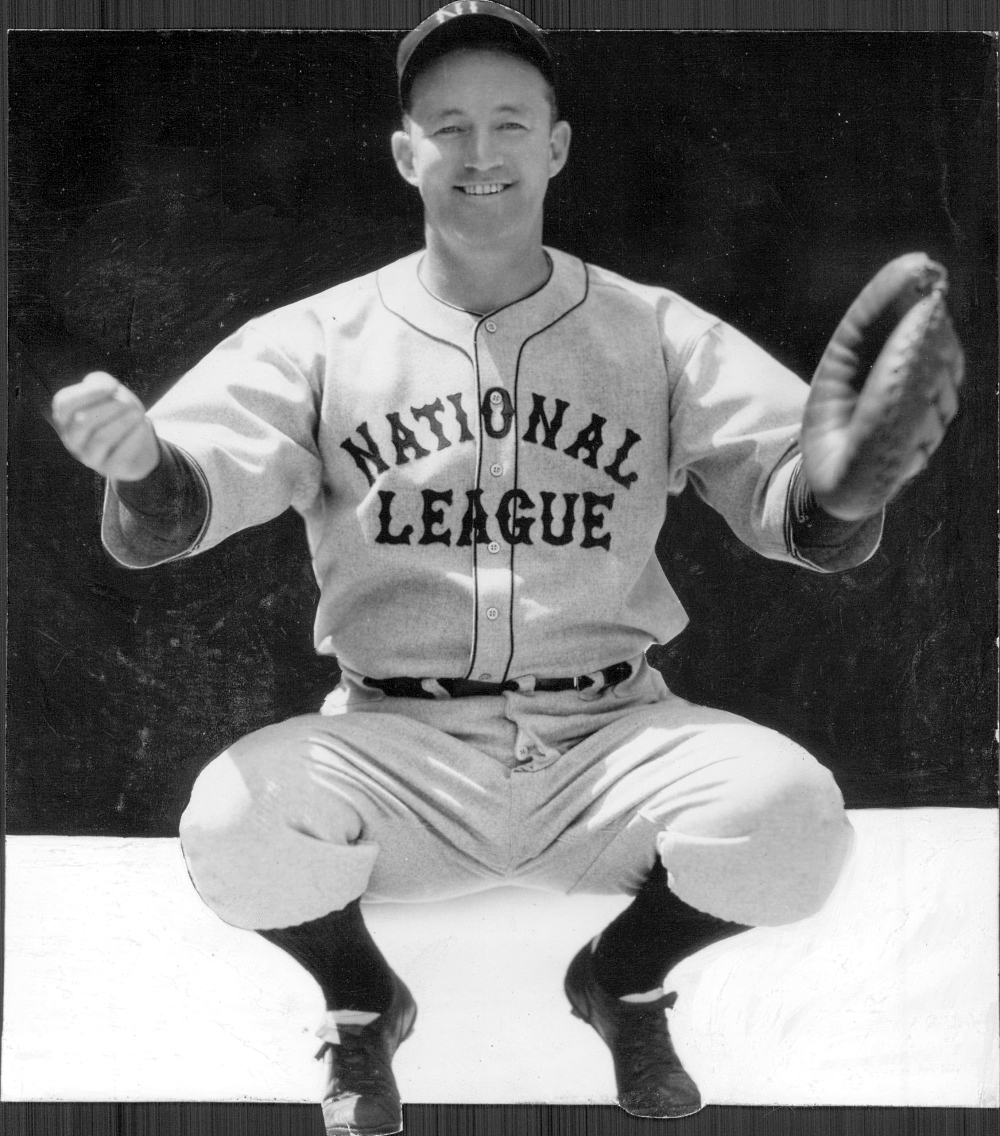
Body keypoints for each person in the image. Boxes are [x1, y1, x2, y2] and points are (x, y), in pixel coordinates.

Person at [50, 5, 963, 1134]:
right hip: (398, 750)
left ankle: (621, 980)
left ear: (557, 145)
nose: (480, 153)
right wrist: (142, 468)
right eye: (448, 126)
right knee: (234, 825)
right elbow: (182, 500)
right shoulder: (321, 336)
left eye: (510, 123)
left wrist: (846, 489)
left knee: (795, 820)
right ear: (406, 153)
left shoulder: (653, 329)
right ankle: (362, 1001)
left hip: (610, 742)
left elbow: (797, 499)